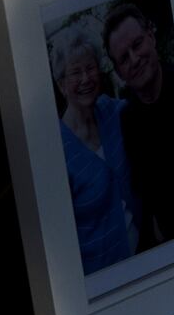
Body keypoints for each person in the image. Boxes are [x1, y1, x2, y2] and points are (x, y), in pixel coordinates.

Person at [103, 2, 174, 246]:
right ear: (118, 71)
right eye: (124, 58)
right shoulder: (127, 120)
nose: (134, 59)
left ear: (151, 36)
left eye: (137, 45)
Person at [52, 24, 140, 275]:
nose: (85, 79)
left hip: (146, 252)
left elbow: (143, 106)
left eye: (90, 68)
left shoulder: (111, 111)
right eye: (75, 72)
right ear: (61, 85)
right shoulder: (57, 151)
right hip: (103, 277)